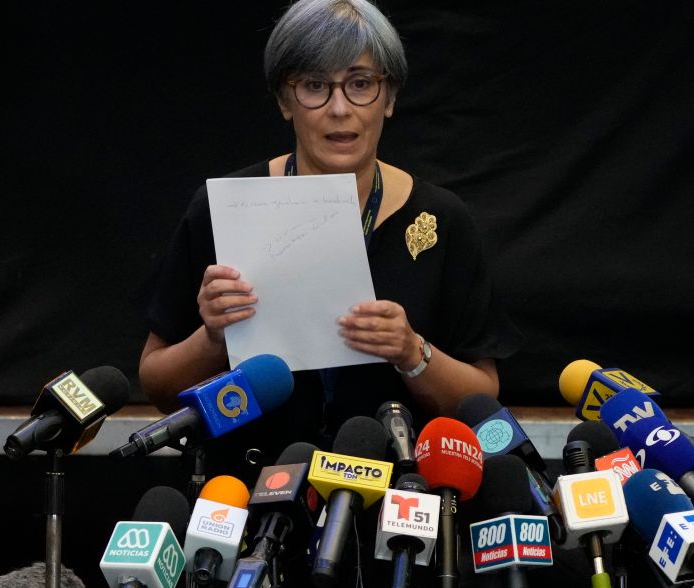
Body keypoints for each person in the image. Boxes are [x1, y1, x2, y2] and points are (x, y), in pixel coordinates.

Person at [140, 0, 520, 473]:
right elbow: (156, 386)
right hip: (249, 485)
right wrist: (214, 337)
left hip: (397, 494)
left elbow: (482, 400)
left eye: (360, 84)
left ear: (389, 97)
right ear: (285, 100)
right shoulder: (223, 209)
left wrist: (412, 352)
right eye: (315, 86)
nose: (339, 109)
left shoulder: (441, 219)